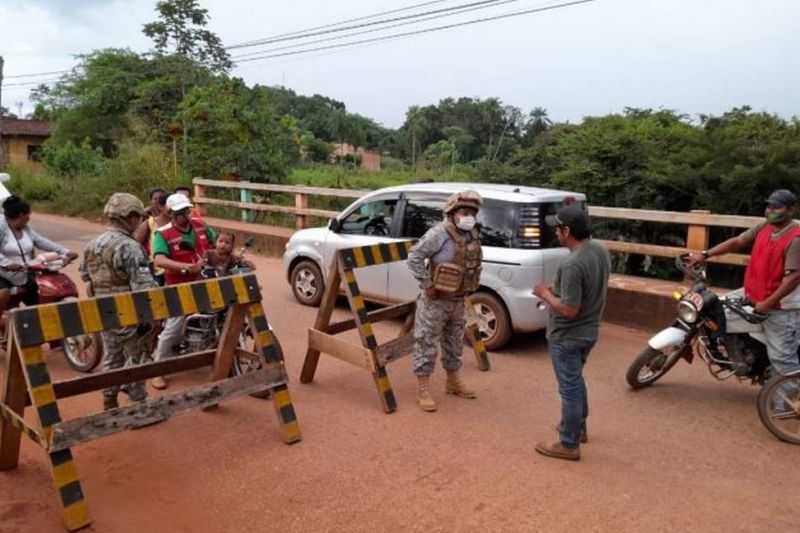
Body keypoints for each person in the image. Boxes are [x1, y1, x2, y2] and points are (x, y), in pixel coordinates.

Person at [688, 189, 800, 377]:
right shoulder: (764, 227)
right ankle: (738, 354)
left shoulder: (795, 239)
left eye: (777, 207)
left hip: (781, 307)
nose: (770, 211)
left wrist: (768, 303)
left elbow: (794, 278)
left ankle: (788, 396)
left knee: (782, 359)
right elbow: (738, 242)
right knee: (714, 309)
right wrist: (706, 254)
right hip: (751, 294)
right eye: (769, 206)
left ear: (790, 210)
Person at [533, 204, 611, 461]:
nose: (555, 233)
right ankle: (579, 428)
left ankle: (568, 443)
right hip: (590, 331)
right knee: (575, 381)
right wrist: (556, 289)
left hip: (568, 335)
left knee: (569, 389)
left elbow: (568, 310)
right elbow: (584, 288)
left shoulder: (572, 264)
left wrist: (544, 294)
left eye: (557, 229)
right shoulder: (599, 249)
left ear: (566, 231)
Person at [406, 190, 483, 412]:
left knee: (454, 344)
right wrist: (427, 284)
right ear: (451, 213)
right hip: (436, 301)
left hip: (459, 300)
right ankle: (423, 389)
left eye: (472, 212)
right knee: (426, 344)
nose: (468, 216)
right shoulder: (438, 234)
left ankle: (453, 382)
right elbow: (414, 257)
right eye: (464, 212)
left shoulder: (471, 235)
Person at [80, 193, 158, 410]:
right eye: (138, 217)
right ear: (130, 217)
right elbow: (143, 287)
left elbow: (86, 276)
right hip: (131, 313)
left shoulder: (92, 244)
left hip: (104, 311)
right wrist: (152, 316)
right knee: (138, 357)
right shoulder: (130, 247)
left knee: (112, 357)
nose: (139, 222)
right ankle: (137, 404)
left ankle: (109, 400)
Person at [149, 193, 217, 390]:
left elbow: (217, 243)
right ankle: (157, 369)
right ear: (170, 213)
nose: (184, 215)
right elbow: (159, 260)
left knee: (220, 315)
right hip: (179, 287)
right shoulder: (163, 234)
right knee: (174, 326)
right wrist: (186, 267)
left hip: (206, 281)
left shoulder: (200, 225)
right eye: (179, 212)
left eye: (186, 211)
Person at [0, 195, 78, 316]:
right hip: (3, 274)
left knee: (42, 295)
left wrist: (66, 252)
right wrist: (7, 264)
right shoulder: (1, 227)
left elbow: (41, 241)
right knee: (3, 293)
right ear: (21, 215)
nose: (29, 218)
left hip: (25, 272)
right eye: (28, 215)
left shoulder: (25, 228)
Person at [133, 188, 170, 285]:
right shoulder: (149, 222)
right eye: (155, 199)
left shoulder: (176, 220)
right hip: (158, 269)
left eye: (160, 199)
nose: (157, 202)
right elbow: (136, 242)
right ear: (150, 202)